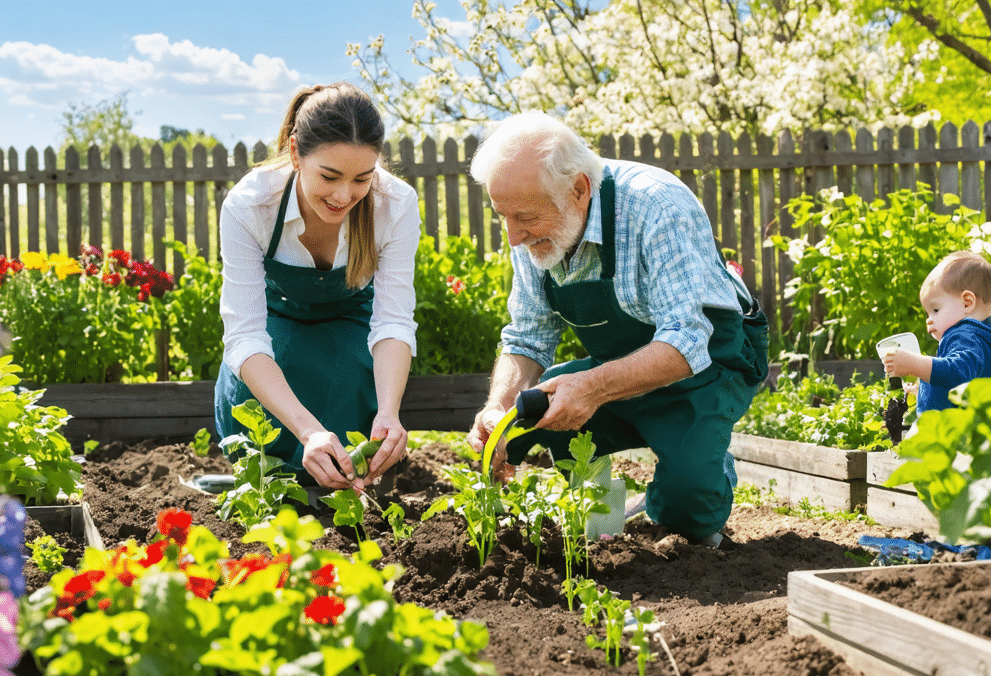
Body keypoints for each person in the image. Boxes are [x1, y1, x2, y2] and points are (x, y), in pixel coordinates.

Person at [465, 112, 769, 547]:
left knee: (690, 516)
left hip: (708, 368)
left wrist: (591, 388)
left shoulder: (657, 206)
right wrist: (498, 408)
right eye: (503, 217)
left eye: (524, 218)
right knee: (540, 402)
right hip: (621, 369)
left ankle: (706, 466)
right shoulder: (531, 229)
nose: (513, 236)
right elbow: (528, 336)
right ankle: (599, 523)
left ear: (579, 189)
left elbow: (686, 338)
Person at [215, 82, 420, 491]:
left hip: (352, 320)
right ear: (295, 153)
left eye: (362, 178)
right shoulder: (250, 205)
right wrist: (308, 432)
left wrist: (389, 414)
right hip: (279, 319)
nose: (345, 195)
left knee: (352, 373)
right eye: (329, 176)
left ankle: (343, 488)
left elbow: (394, 322)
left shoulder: (395, 203)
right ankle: (266, 485)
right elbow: (245, 336)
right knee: (274, 381)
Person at [881, 250, 991, 413]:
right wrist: (924, 390)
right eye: (928, 313)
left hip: (963, 434)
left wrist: (914, 364)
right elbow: (957, 386)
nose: (929, 319)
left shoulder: (966, 335)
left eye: (935, 309)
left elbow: (957, 373)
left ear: (967, 303)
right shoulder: (981, 338)